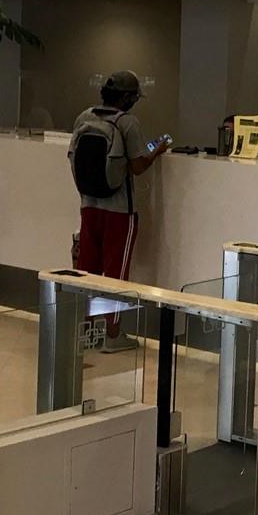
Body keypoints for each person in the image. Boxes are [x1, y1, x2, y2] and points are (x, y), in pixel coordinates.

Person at [68, 70, 169, 350]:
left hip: (89, 206)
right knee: (116, 274)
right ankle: (112, 335)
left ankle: (88, 333)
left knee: (87, 271)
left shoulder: (84, 117)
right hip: (119, 211)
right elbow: (137, 166)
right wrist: (156, 150)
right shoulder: (127, 123)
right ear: (127, 98)